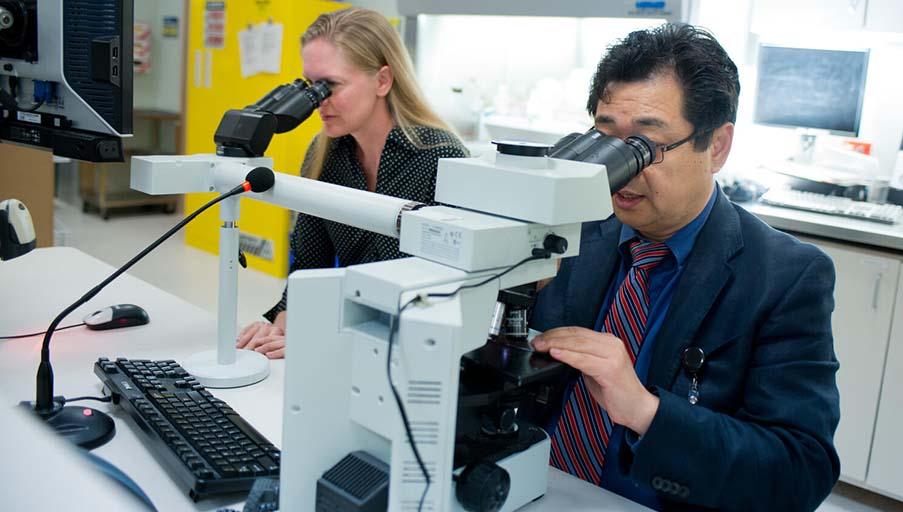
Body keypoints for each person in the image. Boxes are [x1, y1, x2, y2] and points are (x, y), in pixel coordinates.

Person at [525, 24, 840, 510]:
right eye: (606, 140)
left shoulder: (785, 278)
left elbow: (800, 471)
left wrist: (646, 412)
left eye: (644, 149)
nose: (620, 171)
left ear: (716, 147)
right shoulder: (573, 230)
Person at [236, 8, 468, 359]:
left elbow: (426, 292)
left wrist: (318, 334)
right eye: (310, 87)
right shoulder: (325, 153)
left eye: (330, 86)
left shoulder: (440, 160)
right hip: (350, 337)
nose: (318, 102)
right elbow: (309, 262)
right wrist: (285, 318)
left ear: (382, 81)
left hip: (418, 349)